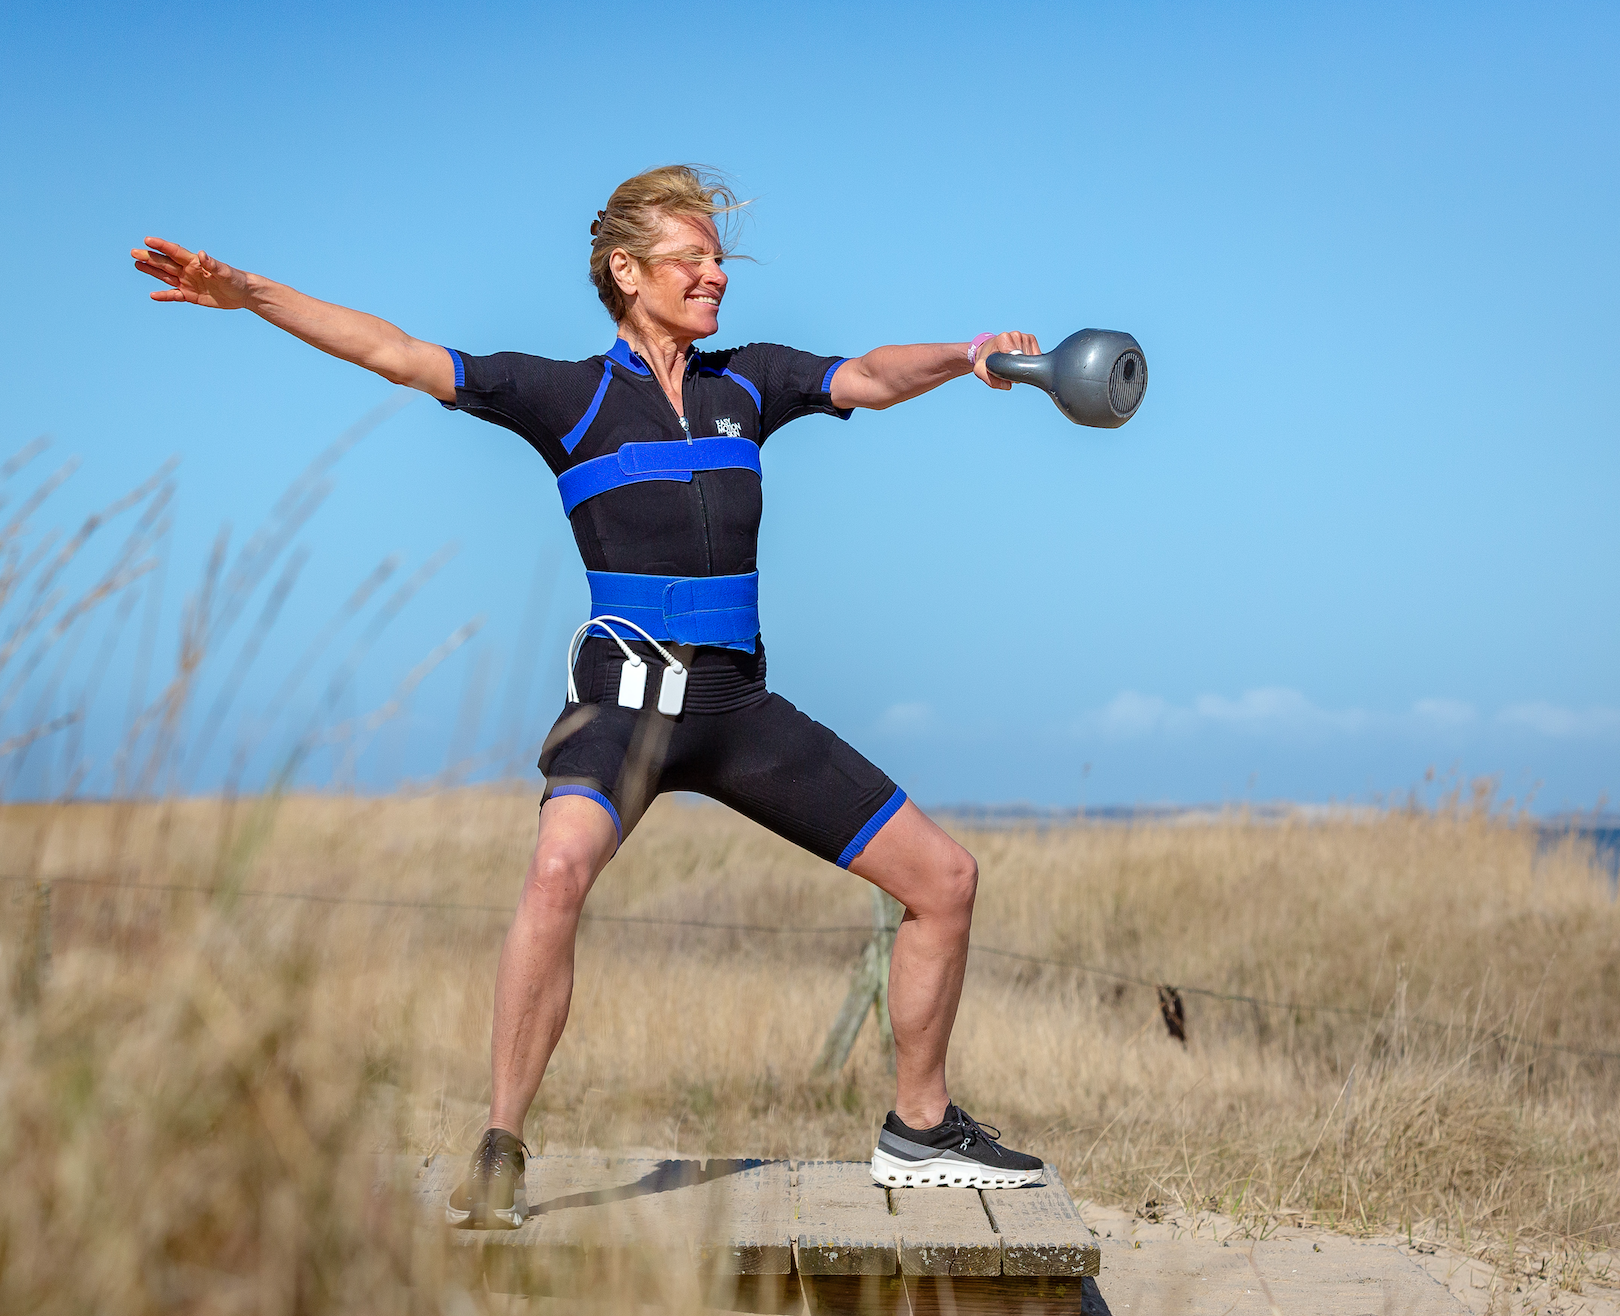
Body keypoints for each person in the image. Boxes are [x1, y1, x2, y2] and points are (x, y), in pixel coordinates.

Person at [133, 165, 1049, 1228]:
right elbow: (391, 349)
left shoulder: (748, 382)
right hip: (625, 701)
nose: (714, 275)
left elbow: (875, 376)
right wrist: (250, 291)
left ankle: (920, 1127)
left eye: (719, 260)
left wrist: (965, 353)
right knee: (556, 868)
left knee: (944, 877)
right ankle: (500, 1146)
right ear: (627, 272)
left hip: (739, 707)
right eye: (692, 259)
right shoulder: (564, 397)